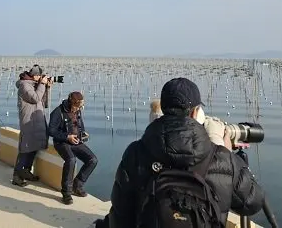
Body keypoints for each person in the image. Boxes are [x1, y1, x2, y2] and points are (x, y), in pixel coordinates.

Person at [95, 77, 265, 228]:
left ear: (163, 108)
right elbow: (253, 203)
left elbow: (120, 217)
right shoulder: (221, 157)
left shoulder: (135, 153)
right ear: (195, 112)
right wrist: (228, 152)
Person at [49, 91, 98, 205]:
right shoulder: (58, 112)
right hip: (62, 142)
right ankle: (66, 193)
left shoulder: (77, 110)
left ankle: (77, 185)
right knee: (71, 160)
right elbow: (51, 131)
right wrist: (67, 137)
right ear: (71, 103)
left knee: (93, 160)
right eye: (77, 107)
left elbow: (80, 125)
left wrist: (83, 134)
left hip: (76, 141)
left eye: (80, 107)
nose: (79, 109)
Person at [12, 65, 50, 187]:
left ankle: (26, 171)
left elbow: (44, 102)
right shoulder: (24, 85)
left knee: (34, 146)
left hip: (36, 120)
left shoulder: (34, 84)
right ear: (35, 75)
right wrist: (42, 84)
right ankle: (16, 176)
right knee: (25, 147)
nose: (41, 78)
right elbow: (35, 98)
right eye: (39, 76)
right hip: (28, 120)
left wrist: (46, 86)